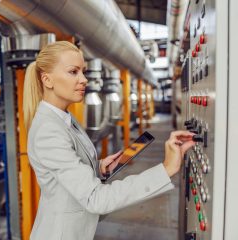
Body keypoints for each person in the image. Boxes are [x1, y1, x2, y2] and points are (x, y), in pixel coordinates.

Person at [23, 41, 195, 240]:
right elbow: (96, 199)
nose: (84, 80)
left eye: (83, 72)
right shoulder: (48, 130)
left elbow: (63, 173)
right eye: (73, 72)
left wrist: (98, 168)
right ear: (47, 80)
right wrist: (165, 169)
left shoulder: (64, 118)